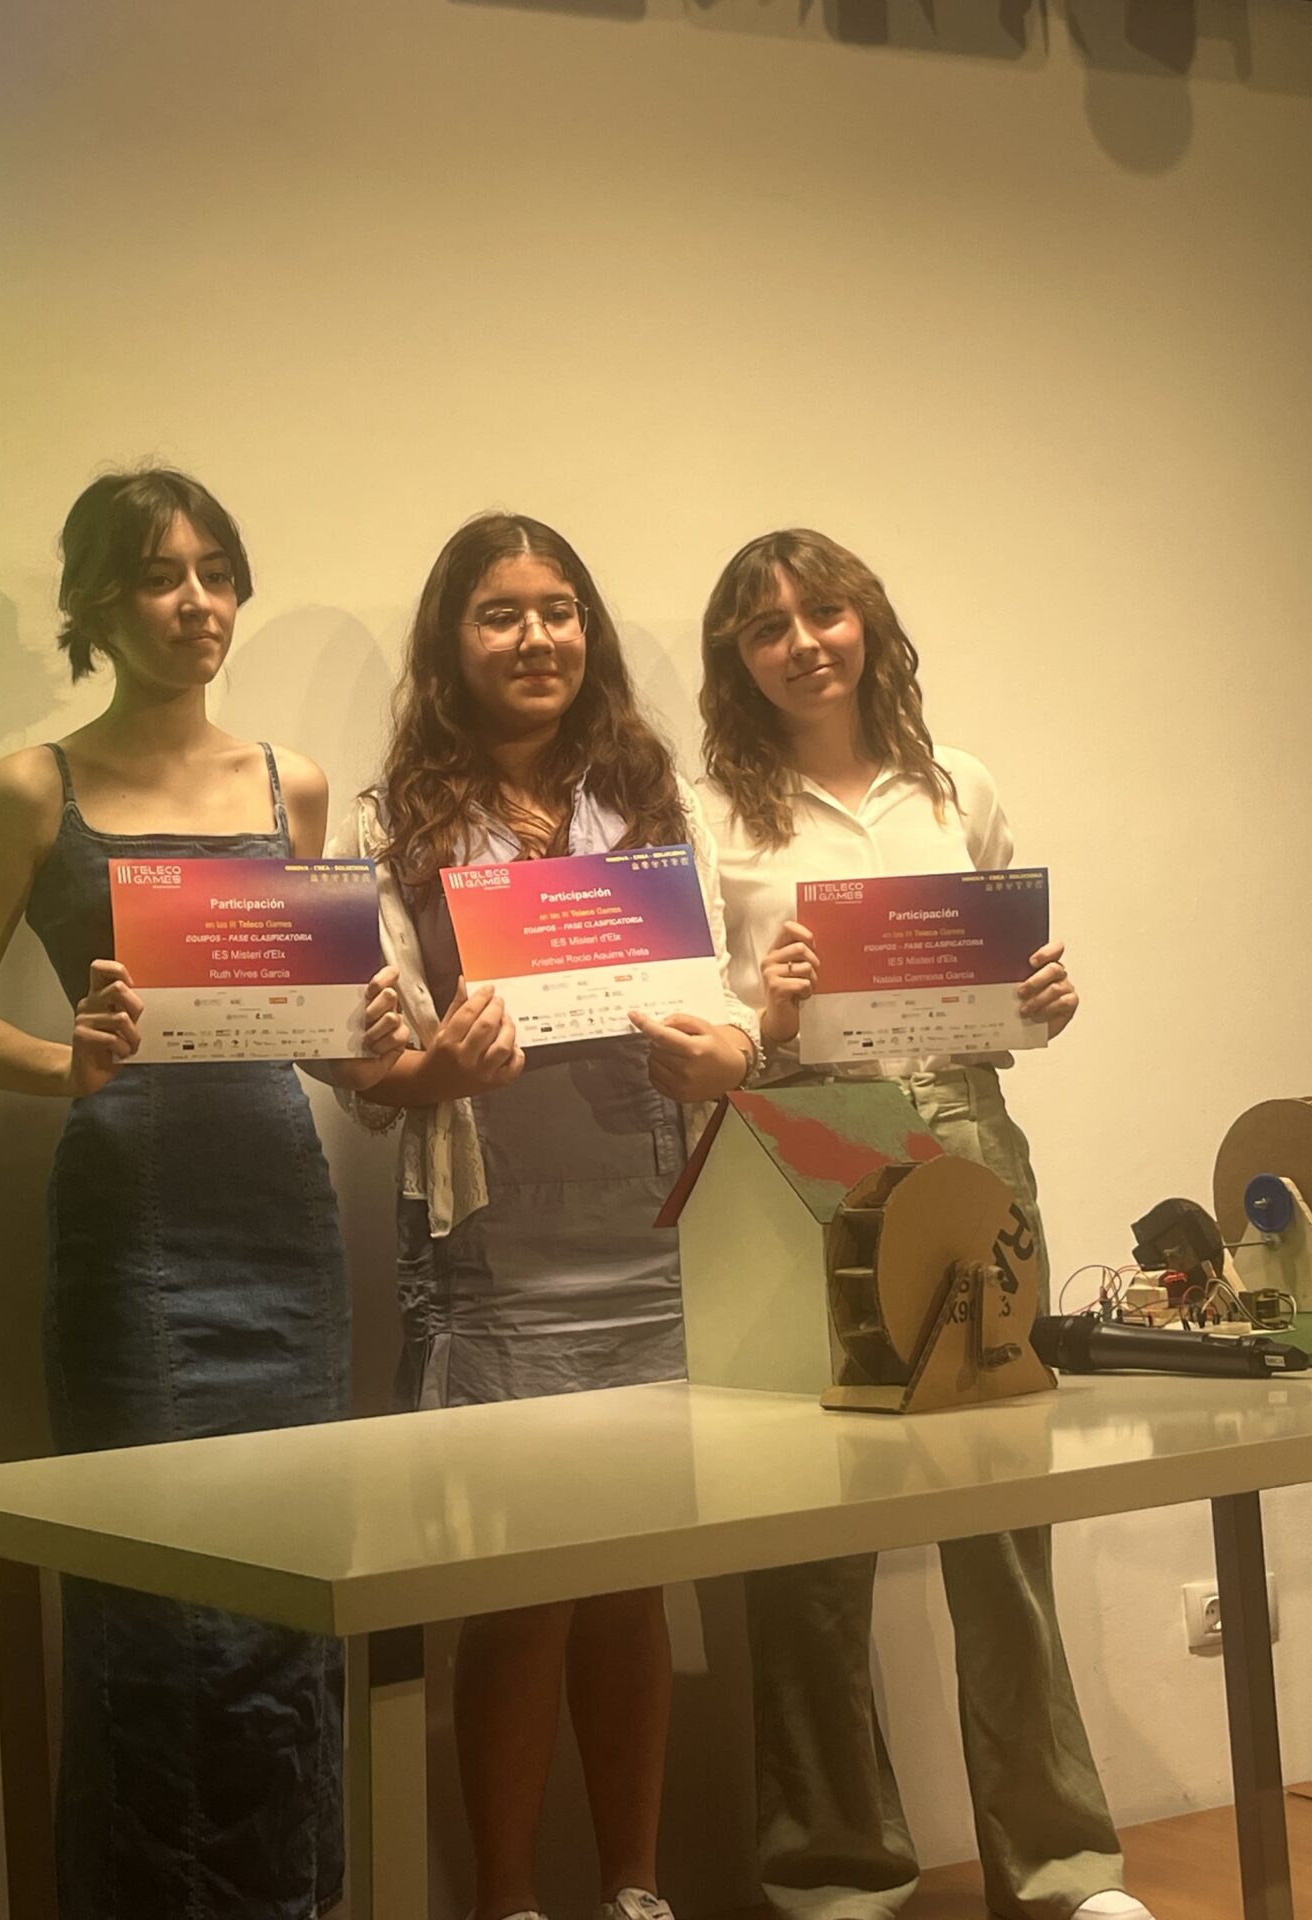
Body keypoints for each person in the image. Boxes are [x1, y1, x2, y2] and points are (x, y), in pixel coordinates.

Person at [0, 467, 405, 1920]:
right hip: (131, 1232)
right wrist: (63, 1063)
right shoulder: (33, 788)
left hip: (282, 1215)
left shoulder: (291, 783)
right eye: (159, 575)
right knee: (156, 1594)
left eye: (217, 573)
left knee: (294, 1579)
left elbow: (312, 1033)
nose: (198, 603)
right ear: (94, 605)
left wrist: (367, 1026)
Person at [692, 528, 1153, 1920]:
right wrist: (765, 1009)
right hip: (810, 1133)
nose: (802, 643)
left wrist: (1045, 999)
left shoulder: (961, 784)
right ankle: (832, 1878)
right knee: (808, 1525)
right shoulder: (709, 812)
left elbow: (1002, 991)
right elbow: (701, 1018)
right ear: (737, 659)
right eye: (766, 627)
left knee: (1002, 1501)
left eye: (823, 612)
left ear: (868, 622)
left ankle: (1062, 1869)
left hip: (967, 1127)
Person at [345, 512, 760, 1920]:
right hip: (495, 1250)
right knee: (520, 1590)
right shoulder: (389, 825)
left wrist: (724, 1049)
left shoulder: (656, 800)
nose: (538, 638)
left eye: (560, 609)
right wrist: (432, 1073)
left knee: (636, 1583)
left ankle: (635, 1891)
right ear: (450, 642)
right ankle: (509, 1904)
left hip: (650, 1233)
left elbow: (724, 1003)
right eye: (501, 613)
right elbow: (363, 1059)